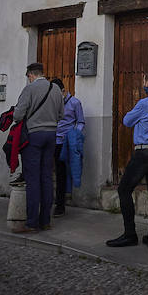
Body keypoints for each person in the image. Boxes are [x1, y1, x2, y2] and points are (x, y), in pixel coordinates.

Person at [107, 68, 148, 248]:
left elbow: (127, 121)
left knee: (124, 190)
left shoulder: (144, 104)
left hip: (144, 153)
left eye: (144, 81)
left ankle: (130, 234)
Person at [12, 63, 64, 233]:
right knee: (47, 177)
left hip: (33, 135)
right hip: (51, 135)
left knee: (33, 178)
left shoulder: (29, 89)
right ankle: (45, 220)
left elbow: (18, 115)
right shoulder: (56, 89)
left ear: (30, 75)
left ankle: (32, 222)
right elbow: (61, 114)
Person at [54, 77, 84, 217]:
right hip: (52, 141)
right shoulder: (52, 103)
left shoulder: (75, 103)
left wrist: (74, 135)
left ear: (63, 90)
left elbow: (81, 121)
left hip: (66, 143)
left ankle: (60, 206)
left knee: (61, 174)